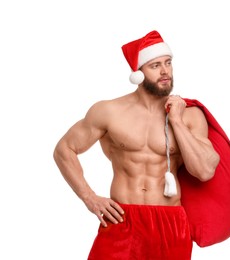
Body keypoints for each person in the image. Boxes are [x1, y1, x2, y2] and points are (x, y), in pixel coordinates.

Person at [53, 30, 220, 260]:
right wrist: (90, 198)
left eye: (168, 63)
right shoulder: (109, 111)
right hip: (122, 217)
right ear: (138, 74)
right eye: (155, 66)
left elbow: (204, 171)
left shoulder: (190, 116)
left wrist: (177, 121)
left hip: (169, 221)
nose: (165, 72)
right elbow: (64, 149)